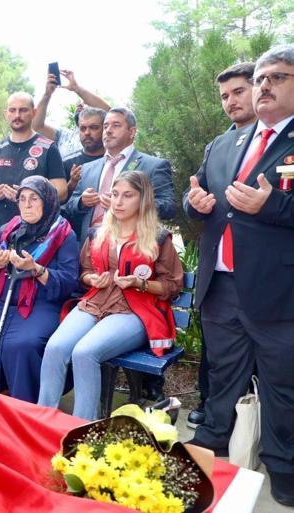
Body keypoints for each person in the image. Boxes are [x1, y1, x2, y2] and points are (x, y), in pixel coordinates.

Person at [184, 45, 294, 507]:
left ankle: (283, 472)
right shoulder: (225, 142)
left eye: (278, 77)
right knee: (222, 378)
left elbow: (276, 205)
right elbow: (198, 195)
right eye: (261, 78)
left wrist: (272, 206)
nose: (264, 86)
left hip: (279, 291)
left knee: (281, 387)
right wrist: (196, 205)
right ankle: (209, 456)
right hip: (222, 285)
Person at [38, 171, 183, 420]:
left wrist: (140, 283)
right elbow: (84, 271)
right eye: (115, 195)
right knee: (55, 347)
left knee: (85, 353)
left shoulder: (158, 238)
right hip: (97, 301)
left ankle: (82, 429)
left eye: (127, 196)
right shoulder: (98, 232)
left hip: (135, 309)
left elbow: (172, 285)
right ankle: (43, 419)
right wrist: (92, 279)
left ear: (143, 199)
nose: (118, 202)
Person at [0, 175, 79, 403]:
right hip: (1, 299)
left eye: (34, 198)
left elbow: (70, 281)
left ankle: (24, 404)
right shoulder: (8, 230)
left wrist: (37, 269)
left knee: (22, 345)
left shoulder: (64, 234)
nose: (27, 204)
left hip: (40, 304)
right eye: (22, 199)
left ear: (48, 201)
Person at [187, 61, 257, 430]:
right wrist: (193, 203)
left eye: (238, 92)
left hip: (267, 277)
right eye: (224, 96)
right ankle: (218, 431)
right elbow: (194, 190)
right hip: (220, 277)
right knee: (221, 364)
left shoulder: (280, 143)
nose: (231, 101)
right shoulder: (218, 145)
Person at [64, 107, 176, 244]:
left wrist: (130, 206)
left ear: (132, 132)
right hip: (89, 252)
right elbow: (70, 206)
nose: (108, 131)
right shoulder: (87, 169)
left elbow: (168, 207)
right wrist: (81, 202)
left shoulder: (153, 166)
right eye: (105, 126)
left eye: (116, 125)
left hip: (135, 249)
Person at [0, 92, 68, 245]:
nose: (17, 115)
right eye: (12, 110)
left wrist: (27, 196)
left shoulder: (48, 148)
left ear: (34, 113)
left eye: (23, 110)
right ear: (6, 114)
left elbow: (62, 192)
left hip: (36, 235)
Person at [32, 69, 111, 158]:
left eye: (85, 102)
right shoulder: (63, 135)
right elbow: (36, 126)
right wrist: (47, 94)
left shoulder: (108, 133)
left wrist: (76, 88)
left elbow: (110, 113)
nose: (80, 105)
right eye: (79, 103)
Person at [60, 107, 106, 199]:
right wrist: (72, 183)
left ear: (105, 129)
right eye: (83, 128)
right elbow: (58, 201)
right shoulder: (67, 163)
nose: (87, 133)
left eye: (94, 128)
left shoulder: (115, 160)